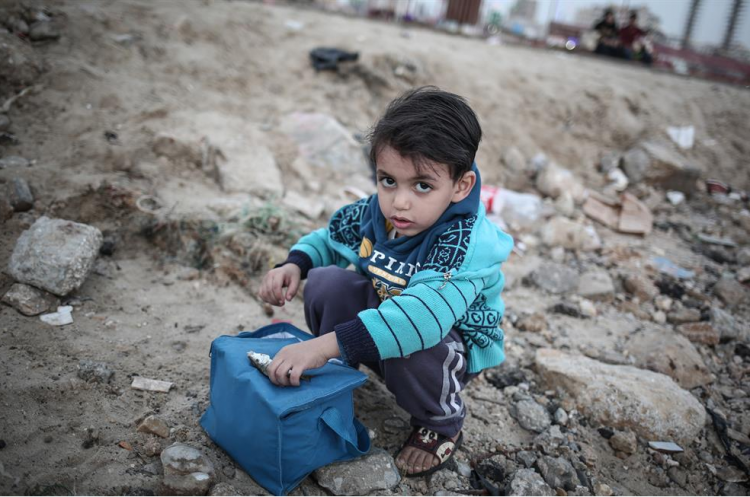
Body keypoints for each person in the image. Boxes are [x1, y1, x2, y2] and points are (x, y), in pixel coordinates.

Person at [258, 86, 513, 477]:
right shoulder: (379, 213)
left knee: (416, 344)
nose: (400, 202)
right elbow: (331, 238)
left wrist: (322, 345)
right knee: (326, 282)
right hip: (387, 315)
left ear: (460, 186)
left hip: (447, 347)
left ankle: (440, 421)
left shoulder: (464, 242)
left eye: (423, 185)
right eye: (388, 180)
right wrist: (295, 264)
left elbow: (421, 320)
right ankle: (343, 369)